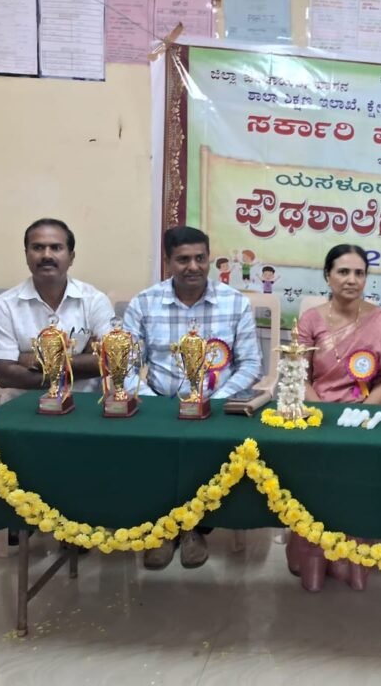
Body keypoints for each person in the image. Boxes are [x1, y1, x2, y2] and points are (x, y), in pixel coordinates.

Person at [124, 226, 262, 570]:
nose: (193, 267)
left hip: (216, 407)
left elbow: (251, 365)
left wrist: (217, 401)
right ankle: (162, 530)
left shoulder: (235, 302)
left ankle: (195, 530)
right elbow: (125, 365)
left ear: (209, 259)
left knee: (208, 454)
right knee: (148, 455)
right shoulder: (144, 303)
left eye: (200, 258)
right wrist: (152, 403)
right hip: (159, 405)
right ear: (168, 262)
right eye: (183, 259)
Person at [286, 244, 381, 591]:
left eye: (359, 273)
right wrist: (322, 415)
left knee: (359, 484)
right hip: (319, 414)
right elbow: (298, 375)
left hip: (368, 417)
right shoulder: (311, 319)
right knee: (314, 484)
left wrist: (365, 413)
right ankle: (313, 555)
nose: (351, 280)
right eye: (343, 272)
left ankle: (351, 556)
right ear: (328, 276)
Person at [0, 218, 114, 402]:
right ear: (26, 255)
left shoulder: (94, 300)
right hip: (24, 405)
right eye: (37, 247)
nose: (46, 255)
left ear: (71, 257)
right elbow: (5, 375)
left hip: (84, 404)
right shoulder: (4, 305)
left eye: (56, 247)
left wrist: (35, 360)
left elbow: (109, 361)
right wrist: (83, 359)